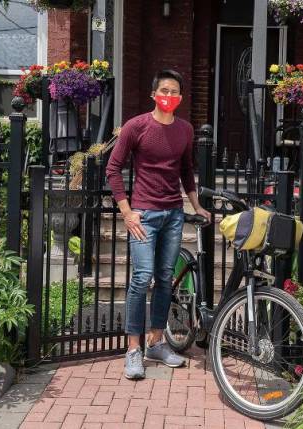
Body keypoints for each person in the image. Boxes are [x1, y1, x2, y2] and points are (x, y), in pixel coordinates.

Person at [106, 69, 211, 379]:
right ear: (154, 94)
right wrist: (127, 212)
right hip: (143, 215)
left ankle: (155, 342)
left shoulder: (185, 130)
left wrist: (196, 206)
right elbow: (113, 169)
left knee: (165, 278)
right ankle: (133, 349)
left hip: (173, 214)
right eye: (164, 90)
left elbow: (186, 171)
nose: (169, 95)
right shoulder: (136, 126)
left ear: (180, 97)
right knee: (141, 278)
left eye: (174, 91)